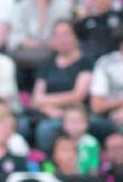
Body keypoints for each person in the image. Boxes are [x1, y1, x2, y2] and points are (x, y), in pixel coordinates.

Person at [31, 20, 94, 152]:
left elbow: (78, 95)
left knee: (46, 128)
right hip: (49, 112)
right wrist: (48, 109)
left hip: (78, 113)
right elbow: (36, 99)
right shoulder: (47, 64)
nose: (61, 40)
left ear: (76, 37)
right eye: (57, 36)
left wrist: (46, 101)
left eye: (66, 35)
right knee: (25, 124)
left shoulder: (86, 62)